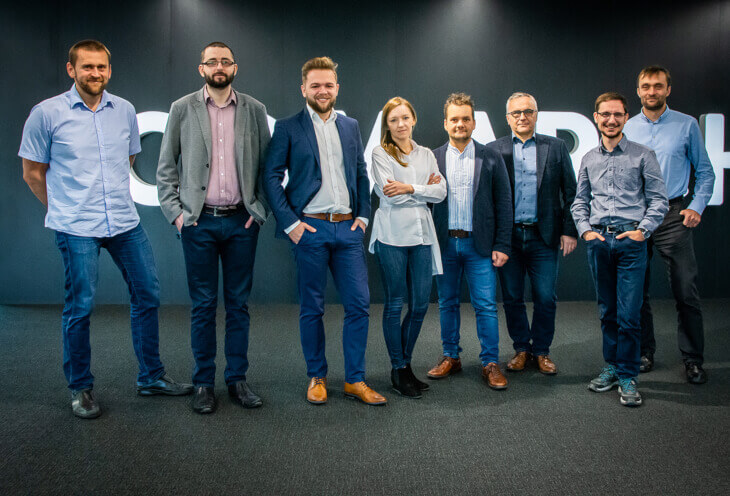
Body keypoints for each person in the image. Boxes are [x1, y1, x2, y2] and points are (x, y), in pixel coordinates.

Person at [19, 40, 192, 420]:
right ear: (71, 70)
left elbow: (128, 158)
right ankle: (80, 388)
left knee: (147, 294)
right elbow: (33, 172)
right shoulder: (46, 114)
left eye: (101, 67)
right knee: (80, 307)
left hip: (124, 222)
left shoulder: (124, 110)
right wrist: (63, 208)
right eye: (87, 67)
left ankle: (151, 377)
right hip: (76, 226)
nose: (94, 73)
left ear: (109, 70)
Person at [263, 56, 386, 406]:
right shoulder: (288, 128)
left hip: (347, 230)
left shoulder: (350, 126)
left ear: (336, 88)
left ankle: (355, 380)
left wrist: (362, 216)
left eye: (328, 85)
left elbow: (361, 172)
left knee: (359, 306)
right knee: (312, 308)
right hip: (310, 230)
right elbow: (271, 177)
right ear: (303, 88)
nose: (322, 90)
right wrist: (291, 224)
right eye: (315, 85)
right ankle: (316, 375)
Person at [156, 42, 270, 414]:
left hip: (241, 222)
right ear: (200, 67)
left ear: (235, 66)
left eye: (225, 61)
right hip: (198, 223)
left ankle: (237, 379)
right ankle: (203, 383)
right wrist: (178, 215)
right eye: (212, 61)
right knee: (203, 306)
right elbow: (165, 169)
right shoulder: (181, 108)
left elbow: (269, 168)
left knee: (238, 306)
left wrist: (260, 210)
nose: (218, 66)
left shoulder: (254, 109)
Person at [571, 92, 668, 407]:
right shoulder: (588, 158)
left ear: (626, 117)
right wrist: (585, 230)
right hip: (599, 243)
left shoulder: (643, 155)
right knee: (607, 311)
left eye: (617, 114)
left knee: (629, 315)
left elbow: (659, 200)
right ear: (596, 117)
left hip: (630, 244)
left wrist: (642, 232)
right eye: (605, 115)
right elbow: (580, 201)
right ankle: (611, 366)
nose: (611, 120)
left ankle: (628, 376)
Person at [623, 66, 715, 384]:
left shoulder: (686, 125)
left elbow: (705, 172)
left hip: (673, 215)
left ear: (668, 90)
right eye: (646, 86)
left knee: (685, 292)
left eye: (658, 86)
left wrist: (696, 207)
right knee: (636, 292)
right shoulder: (627, 127)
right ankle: (644, 353)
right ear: (638, 91)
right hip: (635, 215)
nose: (651, 91)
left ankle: (692, 359)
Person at [486, 92, 578, 375]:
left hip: (544, 236)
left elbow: (571, 192)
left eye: (528, 111)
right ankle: (521, 349)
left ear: (536, 115)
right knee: (512, 297)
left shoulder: (557, 147)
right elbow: (487, 197)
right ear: (507, 118)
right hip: (508, 238)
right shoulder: (493, 149)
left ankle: (541, 351)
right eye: (516, 113)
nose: (522, 117)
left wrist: (569, 230)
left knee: (545, 297)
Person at [427, 93, 513, 390]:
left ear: (474, 122)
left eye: (465, 118)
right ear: (445, 123)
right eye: (454, 119)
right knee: (447, 304)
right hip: (445, 245)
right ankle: (451, 356)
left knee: (486, 306)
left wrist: (502, 245)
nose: (460, 124)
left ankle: (490, 362)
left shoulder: (491, 157)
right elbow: (425, 206)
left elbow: (504, 203)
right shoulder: (432, 158)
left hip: (481, 247)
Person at [369, 97, 447, 398]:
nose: (400, 124)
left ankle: (404, 366)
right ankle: (398, 368)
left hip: (422, 237)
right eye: (393, 120)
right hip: (392, 236)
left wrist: (411, 187)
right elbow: (390, 197)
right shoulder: (380, 153)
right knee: (394, 303)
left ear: (413, 119)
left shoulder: (426, 154)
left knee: (419, 305)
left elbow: (440, 192)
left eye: (405, 118)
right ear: (387, 125)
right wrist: (420, 192)